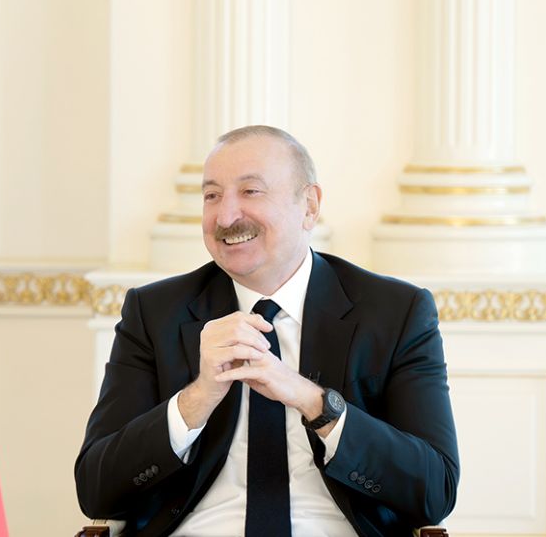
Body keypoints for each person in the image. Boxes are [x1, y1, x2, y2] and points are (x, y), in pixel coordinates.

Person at [75, 125, 459, 537]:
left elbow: (434, 490)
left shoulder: (395, 312)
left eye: (251, 191)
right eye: (212, 196)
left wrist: (314, 402)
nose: (226, 217)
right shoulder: (154, 313)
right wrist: (197, 398)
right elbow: (97, 491)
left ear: (309, 206)